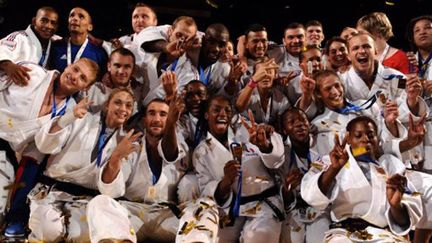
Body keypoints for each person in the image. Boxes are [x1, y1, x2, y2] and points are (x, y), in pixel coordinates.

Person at [86, 97, 218, 242]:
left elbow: (170, 152)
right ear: (144, 120)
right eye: (152, 113)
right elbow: (111, 191)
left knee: (207, 205)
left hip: (166, 215)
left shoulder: (180, 147)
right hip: (132, 213)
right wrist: (115, 159)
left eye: (163, 114)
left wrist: (171, 125)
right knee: (99, 202)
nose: (156, 119)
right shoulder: (131, 147)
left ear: (171, 119)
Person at [0, 58, 99, 237]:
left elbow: (43, 145)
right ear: (68, 65)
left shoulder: (69, 110)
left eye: (82, 78)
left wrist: (68, 118)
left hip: (6, 151)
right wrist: (5, 65)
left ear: (85, 88)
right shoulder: (33, 72)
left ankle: (15, 215)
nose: (75, 76)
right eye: (75, 69)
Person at [28, 87, 135, 242]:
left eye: (128, 105)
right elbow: (44, 145)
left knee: (83, 235)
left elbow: (112, 191)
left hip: (85, 201)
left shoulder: (126, 142)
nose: (123, 109)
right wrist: (69, 117)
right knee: (49, 231)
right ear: (107, 105)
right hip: (51, 192)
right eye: (118, 102)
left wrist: (116, 158)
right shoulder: (81, 119)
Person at [301, 116, 423, 242]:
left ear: (377, 139)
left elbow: (407, 216)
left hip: (384, 235)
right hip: (344, 234)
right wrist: (334, 169)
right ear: (348, 139)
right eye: (358, 135)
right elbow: (310, 195)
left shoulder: (391, 164)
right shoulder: (331, 160)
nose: (365, 139)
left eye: (371, 135)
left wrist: (396, 205)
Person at [193, 95, 285, 243]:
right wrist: (226, 181)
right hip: (230, 212)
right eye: (216, 110)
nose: (223, 114)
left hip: (263, 205)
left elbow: (277, 161)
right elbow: (206, 191)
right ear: (206, 115)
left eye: (227, 111)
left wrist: (264, 145)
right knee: (205, 237)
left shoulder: (248, 129)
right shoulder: (201, 152)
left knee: (260, 236)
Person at [277, 107, 330, 243]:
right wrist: (287, 190)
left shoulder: (324, 142)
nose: (299, 124)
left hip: (320, 208)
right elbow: (286, 202)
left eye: (302, 119)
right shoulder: (281, 155)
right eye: (292, 121)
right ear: (284, 130)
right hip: (294, 211)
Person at [0, 6, 59, 85]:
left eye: (53, 23)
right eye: (44, 21)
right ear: (34, 21)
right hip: (9, 91)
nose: (49, 26)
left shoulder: (55, 40)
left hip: (33, 92)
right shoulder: (19, 37)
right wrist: (9, 66)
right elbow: (2, 49)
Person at [86, 47, 147, 113]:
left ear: (133, 70)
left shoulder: (140, 93)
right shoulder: (92, 90)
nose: (121, 71)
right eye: (117, 66)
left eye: (127, 67)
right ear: (109, 66)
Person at [50, 7, 108, 73]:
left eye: (81, 17)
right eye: (72, 15)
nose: (75, 18)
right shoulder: (56, 47)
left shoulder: (99, 53)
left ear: (90, 27)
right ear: (68, 24)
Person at [235, 57, 289, 126]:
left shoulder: (281, 99)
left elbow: (285, 124)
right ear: (254, 75)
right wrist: (253, 81)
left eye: (269, 72)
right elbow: (239, 107)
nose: (265, 75)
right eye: (261, 73)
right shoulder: (247, 92)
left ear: (275, 75)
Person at [267, 22, 306, 104]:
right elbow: (245, 42)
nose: (295, 41)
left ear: (306, 38)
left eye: (300, 36)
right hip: (280, 106)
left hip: (307, 105)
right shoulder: (277, 52)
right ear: (284, 41)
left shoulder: (315, 54)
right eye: (291, 37)